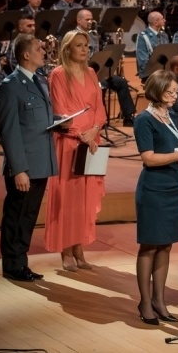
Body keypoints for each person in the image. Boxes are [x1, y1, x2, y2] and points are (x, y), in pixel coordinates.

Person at [133, 70, 178, 325]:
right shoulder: (144, 120)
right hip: (153, 190)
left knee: (165, 245)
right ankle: (144, 301)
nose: (175, 96)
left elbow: (174, 151)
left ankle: (159, 300)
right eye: (170, 91)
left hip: (174, 187)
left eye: (176, 91)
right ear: (156, 91)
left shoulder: (171, 117)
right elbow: (149, 158)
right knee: (150, 245)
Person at [0, 33, 61, 282]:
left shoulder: (39, 81)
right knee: (16, 215)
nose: (43, 52)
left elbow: (41, 119)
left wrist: (61, 122)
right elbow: (9, 131)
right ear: (26, 54)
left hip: (41, 162)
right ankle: (12, 265)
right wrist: (19, 169)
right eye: (38, 49)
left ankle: (20, 262)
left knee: (29, 216)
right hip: (24, 166)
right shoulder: (10, 86)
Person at [46, 29, 107, 271]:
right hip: (70, 144)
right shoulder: (58, 75)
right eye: (79, 45)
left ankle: (79, 247)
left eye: (86, 45)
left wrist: (94, 130)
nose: (84, 49)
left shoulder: (92, 73)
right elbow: (61, 112)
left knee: (86, 198)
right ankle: (66, 249)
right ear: (68, 48)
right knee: (69, 198)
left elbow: (99, 109)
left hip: (92, 142)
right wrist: (80, 134)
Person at [75, 9, 135, 125]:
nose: (90, 22)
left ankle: (128, 117)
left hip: (99, 71)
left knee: (121, 82)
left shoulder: (94, 34)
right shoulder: (74, 36)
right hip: (83, 73)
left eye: (91, 19)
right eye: (87, 19)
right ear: (78, 21)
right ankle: (99, 121)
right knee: (100, 86)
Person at [136, 10, 170, 81]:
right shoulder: (143, 36)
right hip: (149, 71)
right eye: (162, 19)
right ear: (155, 22)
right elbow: (143, 60)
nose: (165, 20)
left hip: (164, 68)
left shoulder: (164, 35)